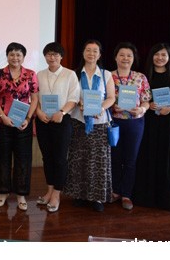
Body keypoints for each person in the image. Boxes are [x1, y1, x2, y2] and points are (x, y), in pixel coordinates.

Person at [133, 42, 170, 211]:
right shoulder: (144, 77)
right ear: (152, 56)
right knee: (148, 156)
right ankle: (146, 198)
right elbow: (140, 97)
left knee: (167, 157)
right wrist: (147, 104)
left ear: (169, 57)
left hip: (168, 121)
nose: (160, 58)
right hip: (149, 121)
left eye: (164, 55)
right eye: (157, 54)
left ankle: (167, 199)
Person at [63, 40, 116, 212]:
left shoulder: (106, 74)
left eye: (95, 51)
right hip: (79, 121)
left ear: (99, 55)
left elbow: (111, 98)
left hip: (100, 123)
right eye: (88, 50)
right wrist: (80, 103)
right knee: (78, 158)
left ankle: (97, 197)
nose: (91, 53)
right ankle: (79, 195)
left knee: (99, 160)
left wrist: (100, 108)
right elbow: (71, 95)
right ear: (83, 53)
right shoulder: (75, 73)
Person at [35, 41, 80, 213]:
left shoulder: (70, 74)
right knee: (47, 157)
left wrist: (61, 112)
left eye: (55, 54)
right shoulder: (39, 74)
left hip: (62, 120)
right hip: (43, 120)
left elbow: (74, 98)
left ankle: (56, 194)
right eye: (48, 54)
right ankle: (49, 190)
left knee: (60, 158)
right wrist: (38, 112)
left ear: (61, 57)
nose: (52, 57)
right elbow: (35, 97)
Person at [0, 42, 39, 211]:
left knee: (23, 159)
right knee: (3, 158)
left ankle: (21, 194)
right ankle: (3, 192)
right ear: (7, 56)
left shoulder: (31, 74)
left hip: (23, 124)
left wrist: (28, 118)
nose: (15, 58)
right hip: (3, 123)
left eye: (18, 54)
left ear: (23, 57)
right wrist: (2, 116)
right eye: (12, 54)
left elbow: (34, 98)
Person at [110, 41, 151, 210]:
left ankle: (126, 194)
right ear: (115, 57)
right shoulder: (108, 76)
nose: (125, 58)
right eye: (122, 55)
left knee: (130, 159)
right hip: (114, 122)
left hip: (135, 122)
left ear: (134, 58)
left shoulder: (140, 77)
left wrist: (142, 109)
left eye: (129, 55)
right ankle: (115, 191)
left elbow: (146, 100)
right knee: (114, 157)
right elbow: (103, 98)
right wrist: (112, 107)